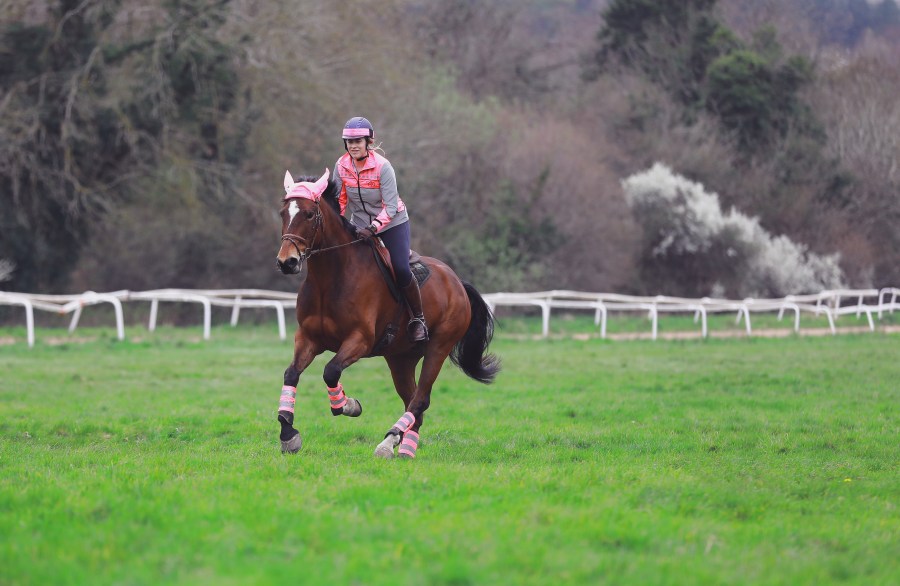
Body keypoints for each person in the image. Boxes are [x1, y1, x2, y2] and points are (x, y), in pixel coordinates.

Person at [332, 116, 429, 342]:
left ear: (369, 142)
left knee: (401, 268)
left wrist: (374, 227)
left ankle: (418, 319)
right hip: (359, 223)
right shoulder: (340, 165)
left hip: (393, 222)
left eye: (358, 141)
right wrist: (336, 221)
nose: (353, 145)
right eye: (349, 141)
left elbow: (391, 206)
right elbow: (340, 200)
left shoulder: (383, 167)